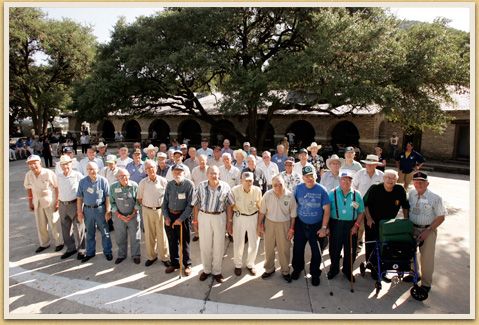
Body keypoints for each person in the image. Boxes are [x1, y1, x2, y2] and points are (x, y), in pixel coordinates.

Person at [404, 172, 447, 293]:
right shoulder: (411, 193)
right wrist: (407, 220)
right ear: (413, 182)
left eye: (422, 182)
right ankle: (414, 274)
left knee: (427, 258)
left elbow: (441, 216)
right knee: (411, 253)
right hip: (412, 227)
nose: (419, 184)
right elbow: (406, 207)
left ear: (427, 183)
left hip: (427, 229)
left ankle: (426, 283)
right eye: (416, 181)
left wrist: (428, 231)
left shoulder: (435, 198)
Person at [363, 170, 410, 280]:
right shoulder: (375, 188)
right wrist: (369, 218)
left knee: (386, 246)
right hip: (373, 221)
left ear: (396, 180)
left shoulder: (400, 190)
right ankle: (373, 266)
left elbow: (405, 206)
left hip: (389, 224)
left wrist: (406, 220)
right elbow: (365, 204)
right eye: (388, 178)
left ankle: (384, 268)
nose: (390, 180)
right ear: (383, 178)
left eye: (393, 178)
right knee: (372, 243)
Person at [192, 165, 235, 283]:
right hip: (204, 216)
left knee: (219, 245)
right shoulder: (201, 186)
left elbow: (229, 205)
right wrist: (195, 221)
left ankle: (217, 271)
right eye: (211, 173)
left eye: (215, 173)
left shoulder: (225, 186)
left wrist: (229, 222)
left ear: (219, 174)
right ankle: (206, 270)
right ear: (207, 175)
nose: (213, 175)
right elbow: (195, 204)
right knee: (205, 245)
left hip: (219, 217)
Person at [291, 166, 330, 286]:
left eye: (311, 176)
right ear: (303, 178)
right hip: (301, 224)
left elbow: (327, 210)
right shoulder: (298, 188)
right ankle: (297, 269)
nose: (309, 179)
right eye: (307, 176)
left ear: (316, 176)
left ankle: (315, 274)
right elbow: (295, 204)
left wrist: (324, 227)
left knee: (316, 252)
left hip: (316, 226)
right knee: (298, 249)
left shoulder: (322, 190)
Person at [327, 170, 365, 282]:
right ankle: (333, 270)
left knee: (350, 250)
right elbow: (327, 211)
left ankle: (348, 271)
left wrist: (356, 226)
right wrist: (328, 227)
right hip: (336, 224)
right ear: (339, 180)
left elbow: (361, 211)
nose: (346, 182)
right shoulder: (332, 193)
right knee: (334, 249)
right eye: (344, 179)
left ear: (351, 182)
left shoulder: (356, 195)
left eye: (349, 180)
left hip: (351, 226)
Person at [24, 155, 64, 253]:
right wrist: (30, 202)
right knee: (41, 225)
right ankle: (44, 243)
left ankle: (59, 242)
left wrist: (57, 202)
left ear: (40, 164)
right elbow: (28, 189)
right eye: (30, 164)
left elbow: (57, 187)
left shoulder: (48, 173)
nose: (33, 166)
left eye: (34, 163)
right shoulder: (29, 175)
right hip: (37, 203)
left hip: (50, 202)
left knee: (54, 223)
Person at [161, 164, 195, 276]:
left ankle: (187, 264)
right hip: (170, 216)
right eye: (175, 172)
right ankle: (174, 263)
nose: (177, 174)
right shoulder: (169, 185)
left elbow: (191, 205)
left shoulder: (189, 185)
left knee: (184, 242)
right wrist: (166, 217)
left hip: (183, 217)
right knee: (172, 241)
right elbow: (164, 202)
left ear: (184, 173)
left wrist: (181, 218)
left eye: (179, 172)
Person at [76, 162, 113, 263]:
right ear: (86, 171)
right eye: (89, 169)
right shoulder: (83, 182)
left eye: (93, 169)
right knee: (90, 232)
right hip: (87, 210)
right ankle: (90, 252)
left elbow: (108, 196)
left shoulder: (103, 181)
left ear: (97, 169)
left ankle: (107, 251)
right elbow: (79, 198)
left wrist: (107, 211)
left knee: (105, 232)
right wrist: (79, 212)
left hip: (100, 209)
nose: (91, 171)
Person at [137, 160, 170, 267]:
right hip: (147, 210)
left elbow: (168, 197)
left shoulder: (163, 181)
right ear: (145, 171)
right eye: (148, 168)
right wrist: (149, 206)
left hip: (161, 211)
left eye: (152, 167)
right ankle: (152, 256)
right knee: (149, 234)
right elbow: (140, 198)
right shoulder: (142, 183)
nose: (150, 170)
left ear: (156, 168)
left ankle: (165, 257)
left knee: (162, 235)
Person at [229, 172, 262, 276]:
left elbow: (261, 208)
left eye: (250, 181)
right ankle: (238, 264)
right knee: (238, 243)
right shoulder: (235, 190)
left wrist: (260, 224)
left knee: (254, 242)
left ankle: (250, 264)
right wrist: (229, 222)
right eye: (246, 181)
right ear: (241, 181)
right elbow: (230, 207)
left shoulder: (257, 190)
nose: (248, 183)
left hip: (253, 217)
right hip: (239, 217)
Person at [352, 154, 384, 254]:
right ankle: (357, 247)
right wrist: (354, 207)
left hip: (375, 207)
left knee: (372, 229)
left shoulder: (382, 176)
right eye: (368, 164)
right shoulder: (359, 174)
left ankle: (372, 250)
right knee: (359, 227)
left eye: (372, 164)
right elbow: (353, 190)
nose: (369, 166)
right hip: (360, 205)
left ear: (376, 165)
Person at [109, 168, 141, 265]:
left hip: (133, 216)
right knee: (120, 237)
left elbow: (138, 201)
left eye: (125, 175)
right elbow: (112, 203)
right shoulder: (113, 187)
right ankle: (121, 255)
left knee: (135, 237)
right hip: (119, 217)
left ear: (129, 175)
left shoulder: (134, 186)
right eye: (121, 176)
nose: (124, 178)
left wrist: (133, 213)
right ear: (118, 177)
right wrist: (119, 215)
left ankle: (136, 255)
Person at [57, 155, 85, 260]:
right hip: (62, 204)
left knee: (78, 228)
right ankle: (70, 248)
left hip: (74, 204)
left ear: (71, 164)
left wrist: (81, 207)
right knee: (65, 228)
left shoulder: (78, 175)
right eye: (63, 165)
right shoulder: (58, 176)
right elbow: (56, 189)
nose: (65, 167)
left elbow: (83, 190)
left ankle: (82, 249)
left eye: (67, 164)